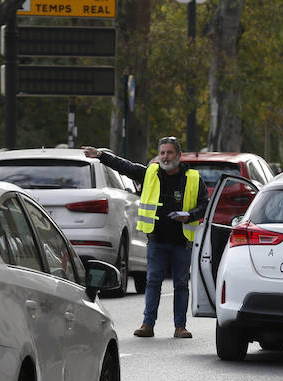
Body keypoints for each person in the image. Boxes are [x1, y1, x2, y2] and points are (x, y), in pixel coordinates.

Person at [83, 137, 209, 339]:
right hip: (157, 240)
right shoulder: (150, 173)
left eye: (169, 153)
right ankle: (147, 324)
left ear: (178, 155)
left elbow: (204, 204)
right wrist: (100, 155)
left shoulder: (193, 178)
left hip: (182, 241)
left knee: (181, 284)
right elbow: (124, 166)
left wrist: (190, 215)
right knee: (153, 282)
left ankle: (180, 326)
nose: (165, 157)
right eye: (162, 153)